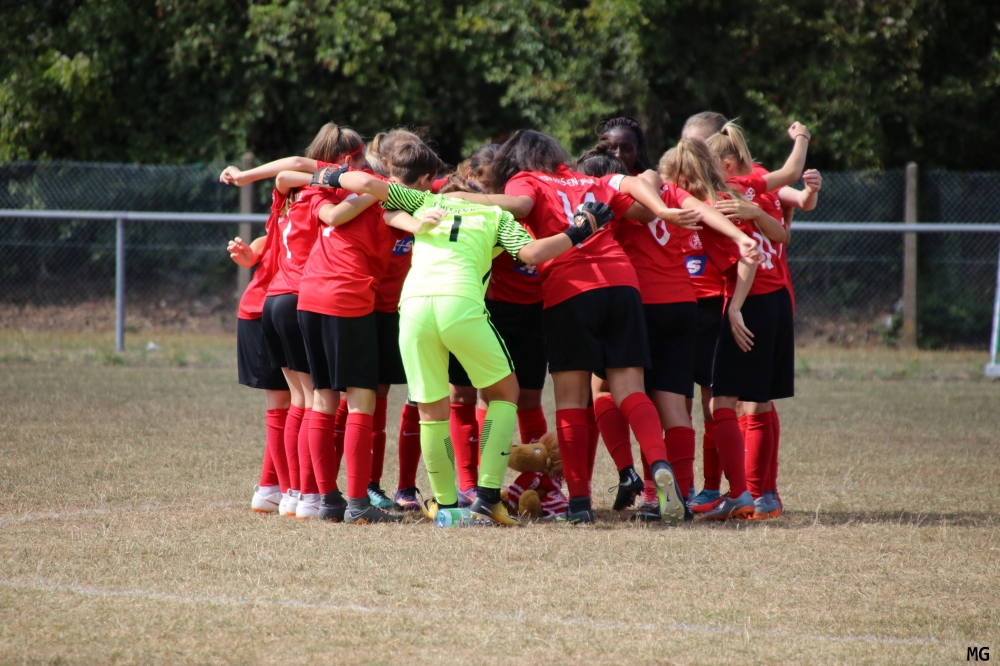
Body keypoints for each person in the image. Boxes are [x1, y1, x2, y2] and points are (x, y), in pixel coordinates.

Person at [313, 141, 614, 526]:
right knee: (505, 394)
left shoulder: (426, 201)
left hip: (413, 309)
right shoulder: (496, 215)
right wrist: (580, 230)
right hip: (460, 304)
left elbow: (373, 187)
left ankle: (446, 506)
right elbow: (535, 254)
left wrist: (322, 174)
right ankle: (486, 497)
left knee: (431, 410)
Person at [471, 130, 756, 523]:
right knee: (631, 390)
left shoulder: (527, 179)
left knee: (572, 400)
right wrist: (668, 209)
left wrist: (460, 198)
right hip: (623, 286)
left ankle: (579, 503)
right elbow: (641, 193)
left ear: (515, 161)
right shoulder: (591, 180)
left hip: (571, 288)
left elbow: (518, 205)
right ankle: (661, 466)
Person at [220, 156, 329, 518]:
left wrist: (250, 254)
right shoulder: (300, 204)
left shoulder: (296, 209)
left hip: (270, 308)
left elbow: (266, 243)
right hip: (267, 309)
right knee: (293, 403)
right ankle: (291, 491)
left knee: (288, 405)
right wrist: (249, 254)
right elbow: (262, 245)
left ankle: (273, 488)